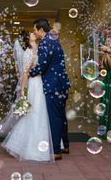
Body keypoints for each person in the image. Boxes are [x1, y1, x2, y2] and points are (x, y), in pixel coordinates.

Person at [2, 30, 54, 162]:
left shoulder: (41, 47)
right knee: (33, 113)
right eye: (31, 33)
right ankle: (26, 148)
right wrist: (23, 90)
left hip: (42, 83)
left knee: (41, 113)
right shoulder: (27, 52)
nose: (33, 33)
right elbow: (25, 73)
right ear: (27, 39)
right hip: (34, 84)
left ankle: (42, 146)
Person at [29, 18, 71, 161]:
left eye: (35, 30)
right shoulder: (54, 41)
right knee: (61, 116)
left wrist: (29, 73)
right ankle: (65, 145)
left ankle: (56, 151)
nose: (34, 33)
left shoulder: (45, 42)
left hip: (53, 85)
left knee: (54, 117)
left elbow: (42, 65)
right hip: (62, 83)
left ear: (41, 30)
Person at [0, 30, 27, 138]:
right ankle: (21, 129)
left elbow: (18, 69)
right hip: (27, 81)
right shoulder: (29, 52)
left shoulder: (21, 52)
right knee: (24, 107)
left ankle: (20, 128)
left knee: (21, 107)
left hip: (22, 81)